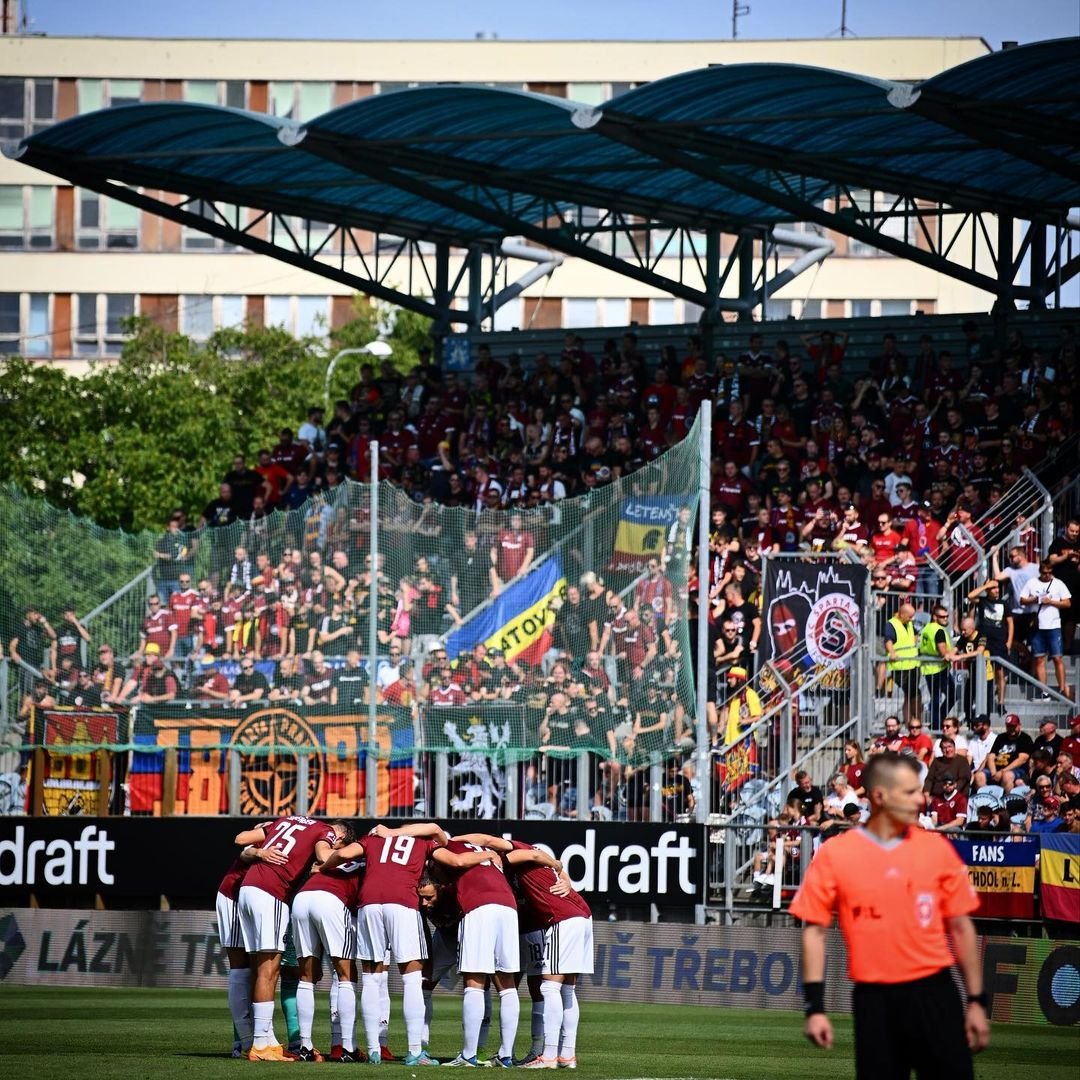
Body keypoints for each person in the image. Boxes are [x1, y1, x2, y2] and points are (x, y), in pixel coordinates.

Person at [791, 752, 990, 1078]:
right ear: (880, 796)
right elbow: (814, 930)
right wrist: (815, 1007)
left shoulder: (936, 849)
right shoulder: (836, 854)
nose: (921, 800)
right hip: (874, 1000)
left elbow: (961, 926)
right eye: (910, 792)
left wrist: (977, 1002)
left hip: (935, 992)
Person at [321, 821, 448, 1067]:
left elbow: (342, 855)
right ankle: (415, 1052)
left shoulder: (373, 838)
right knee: (412, 978)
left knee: (371, 978)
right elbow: (445, 846)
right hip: (402, 902)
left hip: (369, 903)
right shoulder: (422, 842)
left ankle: (373, 1051)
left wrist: (322, 867)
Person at [235, 815, 347, 1062]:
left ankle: (266, 1040)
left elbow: (241, 839)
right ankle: (260, 1045)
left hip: (248, 888)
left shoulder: (286, 820)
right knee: (269, 971)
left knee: (260, 968)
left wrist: (260, 852)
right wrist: (353, 856)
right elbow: (323, 855)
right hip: (271, 892)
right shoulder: (324, 831)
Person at [1020, 560, 1072, 698]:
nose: (1047, 575)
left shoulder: (1058, 583)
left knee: (1057, 658)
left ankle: (1062, 689)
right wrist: (1036, 599)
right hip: (1037, 626)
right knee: (1039, 659)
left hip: (1053, 626)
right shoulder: (1032, 583)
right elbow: (1022, 600)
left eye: (1050, 572)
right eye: (1044, 573)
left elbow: (1067, 603)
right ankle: (1044, 691)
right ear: (1040, 572)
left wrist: (1051, 602)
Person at [884, 602, 920, 723]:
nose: (911, 619)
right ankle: (915, 722)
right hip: (900, 667)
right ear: (902, 614)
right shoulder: (891, 624)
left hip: (912, 664)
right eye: (910, 616)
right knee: (914, 694)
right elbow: (888, 640)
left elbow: (915, 634)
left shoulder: (908, 623)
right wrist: (892, 652)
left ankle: (910, 723)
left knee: (909, 695)